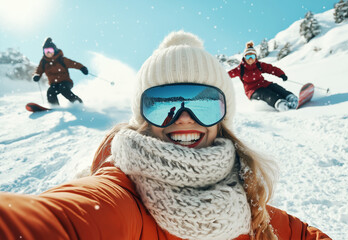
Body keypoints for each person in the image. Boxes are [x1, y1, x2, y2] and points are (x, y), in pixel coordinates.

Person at [0, 31, 330, 240]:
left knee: (270, 88)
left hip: (264, 87)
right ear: (142, 118)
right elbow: (61, 223)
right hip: (56, 84)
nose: (184, 118)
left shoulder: (250, 209)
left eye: (204, 103)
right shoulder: (121, 197)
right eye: (163, 105)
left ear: (223, 118)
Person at [228, 41, 298, 112]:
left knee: (276, 87)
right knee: (266, 94)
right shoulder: (240, 69)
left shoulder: (258, 65)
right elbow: (226, 75)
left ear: (255, 57)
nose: (250, 59)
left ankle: (291, 98)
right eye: (248, 56)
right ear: (244, 57)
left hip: (264, 84)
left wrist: (281, 74)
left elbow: (271, 69)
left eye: (252, 56)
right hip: (252, 91)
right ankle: (280, 103)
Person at [32, 37, 88, 105]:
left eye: (50, 50)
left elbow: (73, 63)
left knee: (63, 88)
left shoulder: (61, 59)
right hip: (54, 84)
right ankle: (54, 106)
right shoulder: (44, 62)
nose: (48, 52)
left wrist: (82, 68)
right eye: (46, 51)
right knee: (50, 92)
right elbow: (39, 70)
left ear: (54, 50)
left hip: (66, 82)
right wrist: (37, 75)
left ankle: (77, 102)